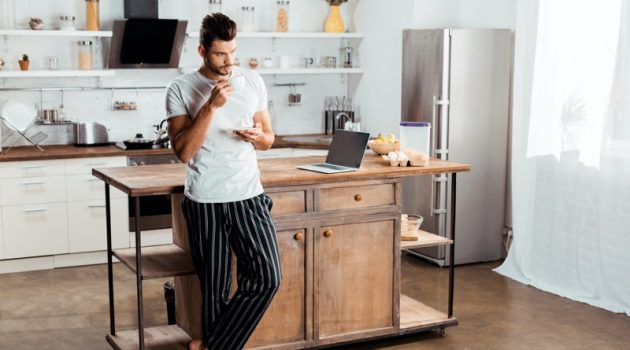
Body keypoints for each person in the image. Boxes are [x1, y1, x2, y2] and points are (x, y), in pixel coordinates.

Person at [165, 13, 281, 350]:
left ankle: (210, 347)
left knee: (267, 278)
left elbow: (270, 138)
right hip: (205, 200)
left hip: (249, 196)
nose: (229, 62)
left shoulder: (253, 81)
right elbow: (184, 151)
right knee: (214, 292)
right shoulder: (181, 88)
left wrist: (258, 136)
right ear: (202, 51)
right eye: (220, 54)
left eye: (233, 52)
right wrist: (211, 107)